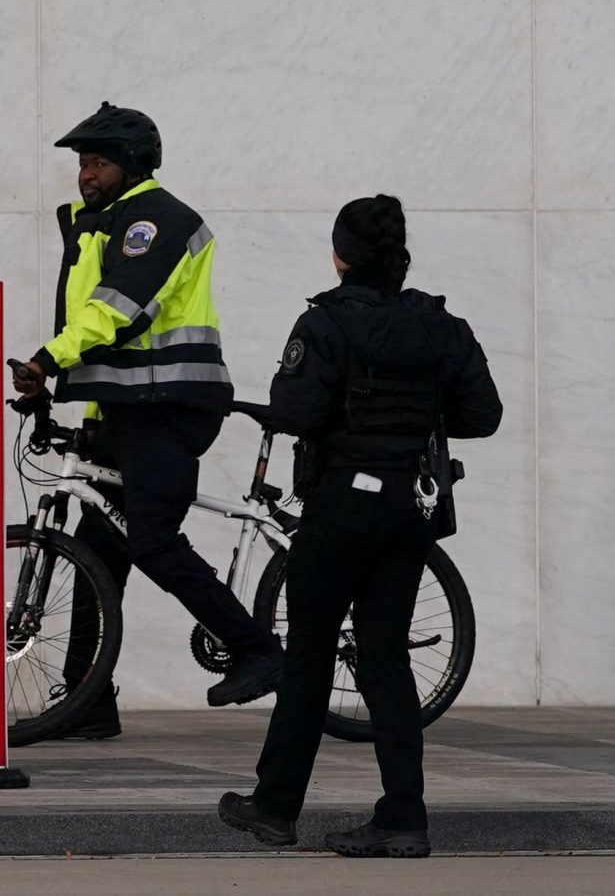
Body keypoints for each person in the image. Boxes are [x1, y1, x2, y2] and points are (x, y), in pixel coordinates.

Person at [218, 195, 502, 860]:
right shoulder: (441, 325)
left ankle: (275, 806)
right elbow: (482, 413)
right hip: (410, 508)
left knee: (310, 653)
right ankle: (403, 814)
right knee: (385, 657)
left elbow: (293, 408)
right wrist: (414, 417)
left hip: (340, 505)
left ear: (341, 256)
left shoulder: (325, 324)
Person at [9, 102, 284, 735]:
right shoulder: (100, 224)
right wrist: (53, 390)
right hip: (127, 406)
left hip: (168, 406)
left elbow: (119, 310)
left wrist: (48, 361)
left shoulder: (156, 221)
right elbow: (97, 335)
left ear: (131, 164)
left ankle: (255, 649)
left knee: (152, 539)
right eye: (82, 163)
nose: (85, 174)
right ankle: (87, 699)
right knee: (97, 550)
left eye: (98, 163)